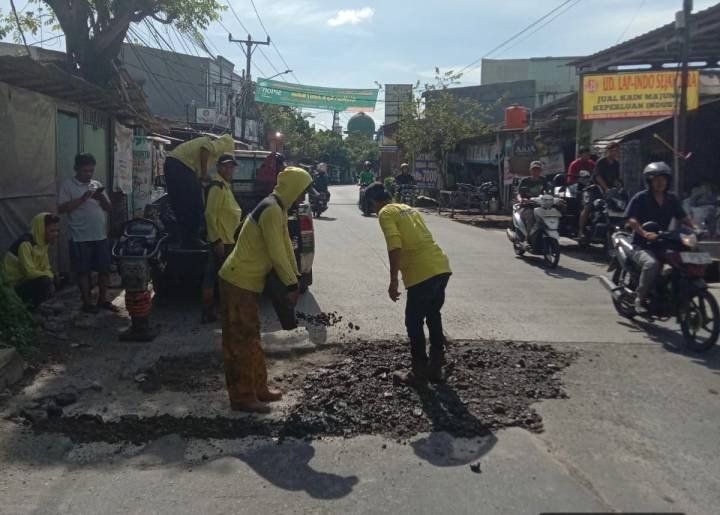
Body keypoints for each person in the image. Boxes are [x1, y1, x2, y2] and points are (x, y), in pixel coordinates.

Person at [218, 166, 313, 413]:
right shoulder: (271, 210)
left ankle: (259, 388)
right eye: (302, 190)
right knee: (240, 341)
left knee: (252, 338)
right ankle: (242, 397)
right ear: (292, 187)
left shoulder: (278, 208)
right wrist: (291, 284)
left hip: (248, 283)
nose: (303, 196)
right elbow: (276, 251)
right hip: (238, 281)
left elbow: (286, 245)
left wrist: (296, 277)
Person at [363, 182, 452, 385]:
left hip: (421, 272)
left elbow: (394, 246)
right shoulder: (408, 208)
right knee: (433, 314)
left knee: (413, 321)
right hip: (441, 266)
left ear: (373, 201)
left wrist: (393, 280)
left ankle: (419, 371)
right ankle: (436, 366)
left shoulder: (385, 213)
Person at [625, 162, 695, 314]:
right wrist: (644, 232)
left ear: (668, 181)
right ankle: (639, 299)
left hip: (663, 242)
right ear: (649, 181)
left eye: (663, 179)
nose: (660, 182)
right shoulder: (641, 197)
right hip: (642, 244)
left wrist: (695, 228)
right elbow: (632, 219)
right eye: (656, 179)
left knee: (683, 261)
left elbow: (683, 217)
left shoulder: (671, 198)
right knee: (652, 264)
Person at [58, 153, 115, 314]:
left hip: (100, 235)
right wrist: (83, 199)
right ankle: (87, 303)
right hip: (80, 237)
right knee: (83, 271)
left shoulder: (96, 184)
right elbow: (61, 208)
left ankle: (103, 300)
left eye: (91, 171)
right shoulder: (68, 185)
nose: (89, 174)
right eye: (85, 171)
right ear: (76, 169)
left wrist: (101, 198)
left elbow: (109, 208)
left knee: (104, 270)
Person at [164, 134, 235, 247]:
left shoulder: (209, 156)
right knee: (195, 205)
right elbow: (205, 149)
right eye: (226, 166)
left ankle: (184, 239)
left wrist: (201, 182)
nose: (229, 170)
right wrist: (204, 173)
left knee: (182, 206)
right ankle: (192, 239)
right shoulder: (225, 143)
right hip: (180, 165)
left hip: (173, 164)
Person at [201, 154, 243, 324]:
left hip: (227, 240)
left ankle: (212, 312)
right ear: (219, 167)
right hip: (221, 242)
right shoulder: (217, 187)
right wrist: (216, 240)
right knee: (221, 278)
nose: (229, 169)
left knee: (219, 277)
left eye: (232, 166)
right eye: (225, 166)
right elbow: (210, 214)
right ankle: (213, 312)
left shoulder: (225, 186)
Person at [4, 213, 60, 308]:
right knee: (45, 281)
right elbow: (29, 273)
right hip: (13, 287)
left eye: (57, 231)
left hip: (28, 281)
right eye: (52, 231)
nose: (56, 234)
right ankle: (29, 308)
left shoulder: (42, 243)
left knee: (61, 277)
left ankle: (36, 305)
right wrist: (50, 276)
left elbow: (46, 267)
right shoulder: (25, 244)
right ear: (41, 229)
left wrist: (51, 275)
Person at [517, 161, 548, 240]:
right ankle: (528, 238)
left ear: (540, 171)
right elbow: (519, 194)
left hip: (540, 205)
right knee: (531, 216)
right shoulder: (525, 181)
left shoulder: (543, 180)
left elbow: (547, 193)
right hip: (527, 206)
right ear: (530, 171)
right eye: (534, 170)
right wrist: (521, 200)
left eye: (538, 170)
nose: (536, 172)